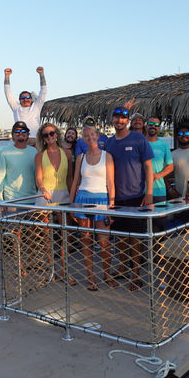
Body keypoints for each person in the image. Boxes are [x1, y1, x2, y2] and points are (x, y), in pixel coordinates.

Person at [105, 106, 154, 291]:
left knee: (136, 238)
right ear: (113, 121)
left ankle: (135, 274)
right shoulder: (109, 143)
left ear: (127, 121)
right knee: (120, 236)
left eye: (123, 118)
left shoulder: (138, 138)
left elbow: (148, 166)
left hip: (136, 196)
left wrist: (149, 193)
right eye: (116, 118)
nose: (119, 121)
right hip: (116, 198)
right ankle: (123, 267)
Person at [69, 125, 117, 291]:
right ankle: (91, 278)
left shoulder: (107, 156)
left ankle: (107, 274)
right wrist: (71, 205)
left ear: (97, 136)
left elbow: (111, 183)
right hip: (82, 198)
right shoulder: (81, 157)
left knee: (104, 242)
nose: (89, 138)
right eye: (86, 136)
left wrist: (111, 206)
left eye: (92, 134)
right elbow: (75, 181)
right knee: (86, 240)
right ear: (82, 138)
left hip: (102, 200)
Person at [0, 121, 38, 202]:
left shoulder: (34, 152)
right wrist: (0, 200)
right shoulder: (4, 152)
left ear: (28, 134)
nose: (20, 133)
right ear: (13, 135)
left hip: (32, 200)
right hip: (12, 201)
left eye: (24, 131)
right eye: (17, 131)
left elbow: (38, 177)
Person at [3, 67, 47, 146]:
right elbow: (8, 92)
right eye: (23, 98)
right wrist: (7, 76)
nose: (25, 99)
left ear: (31, 99)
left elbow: (43, 90)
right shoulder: (16, 108)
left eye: (27, 97)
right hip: (21, 143)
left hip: (36, 143)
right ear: (19, 100)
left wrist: (41, 74)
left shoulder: (36, 106)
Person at [35, 123, 73, 206]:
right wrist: (43, 190)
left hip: (64, 194)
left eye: (51, 133)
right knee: (42, 218)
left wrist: (72, 197)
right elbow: (38, 178)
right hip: (44, 195)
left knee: (66, 219)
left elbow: (69, 178)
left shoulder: (67, 153)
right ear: (43, 139)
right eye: (45, 135)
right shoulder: (39, 156)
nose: (49, 136)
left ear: (56, 134)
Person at [145, 116, 173, 203]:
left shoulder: (164, 145)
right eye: (150, 124)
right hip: (140, 191)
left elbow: (170, 166)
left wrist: (158, 175)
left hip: (159, 190)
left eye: (156, 124)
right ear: (146, 126)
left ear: (159, 128)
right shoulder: (140, 143)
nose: (153, 126)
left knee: (160, 216)